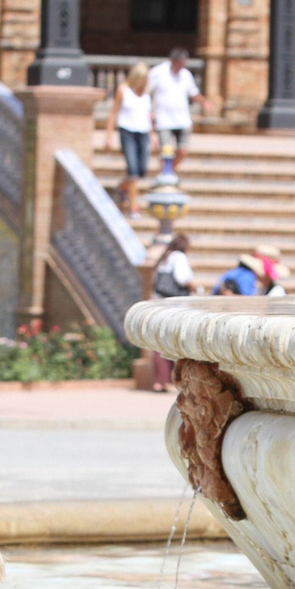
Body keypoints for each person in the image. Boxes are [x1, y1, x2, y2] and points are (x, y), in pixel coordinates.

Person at [147, 48, 211, 169]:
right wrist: (149, 111)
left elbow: (193, 93)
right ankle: (166, 174)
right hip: (164, 121)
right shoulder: (158, 72)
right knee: (166, 152)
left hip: (183, 120)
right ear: (173, 61)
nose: (182, 66)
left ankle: (168, 172)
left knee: (183, 151)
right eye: (180, 63)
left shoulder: (186, 74)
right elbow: (146, 92)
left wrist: (204, 102)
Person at [105, 63, 153, 218]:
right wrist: (109, 136)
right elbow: (113, 113)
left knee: (142, 170)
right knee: (132, 170)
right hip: (127, 132)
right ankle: (134, 206)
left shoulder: (146, 95)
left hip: (143, 132)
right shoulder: (123, 91)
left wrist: (153, 136)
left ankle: (121, 188)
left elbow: (147, 116)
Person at [151, 233, 196, 391]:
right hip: (175, 307)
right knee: (174, 342)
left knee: (160, 343)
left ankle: (160, 380)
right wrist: (194, 287)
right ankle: (171, 381)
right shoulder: (179, 258)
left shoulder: (165, 258)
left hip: (160, 305)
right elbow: (182, 278)